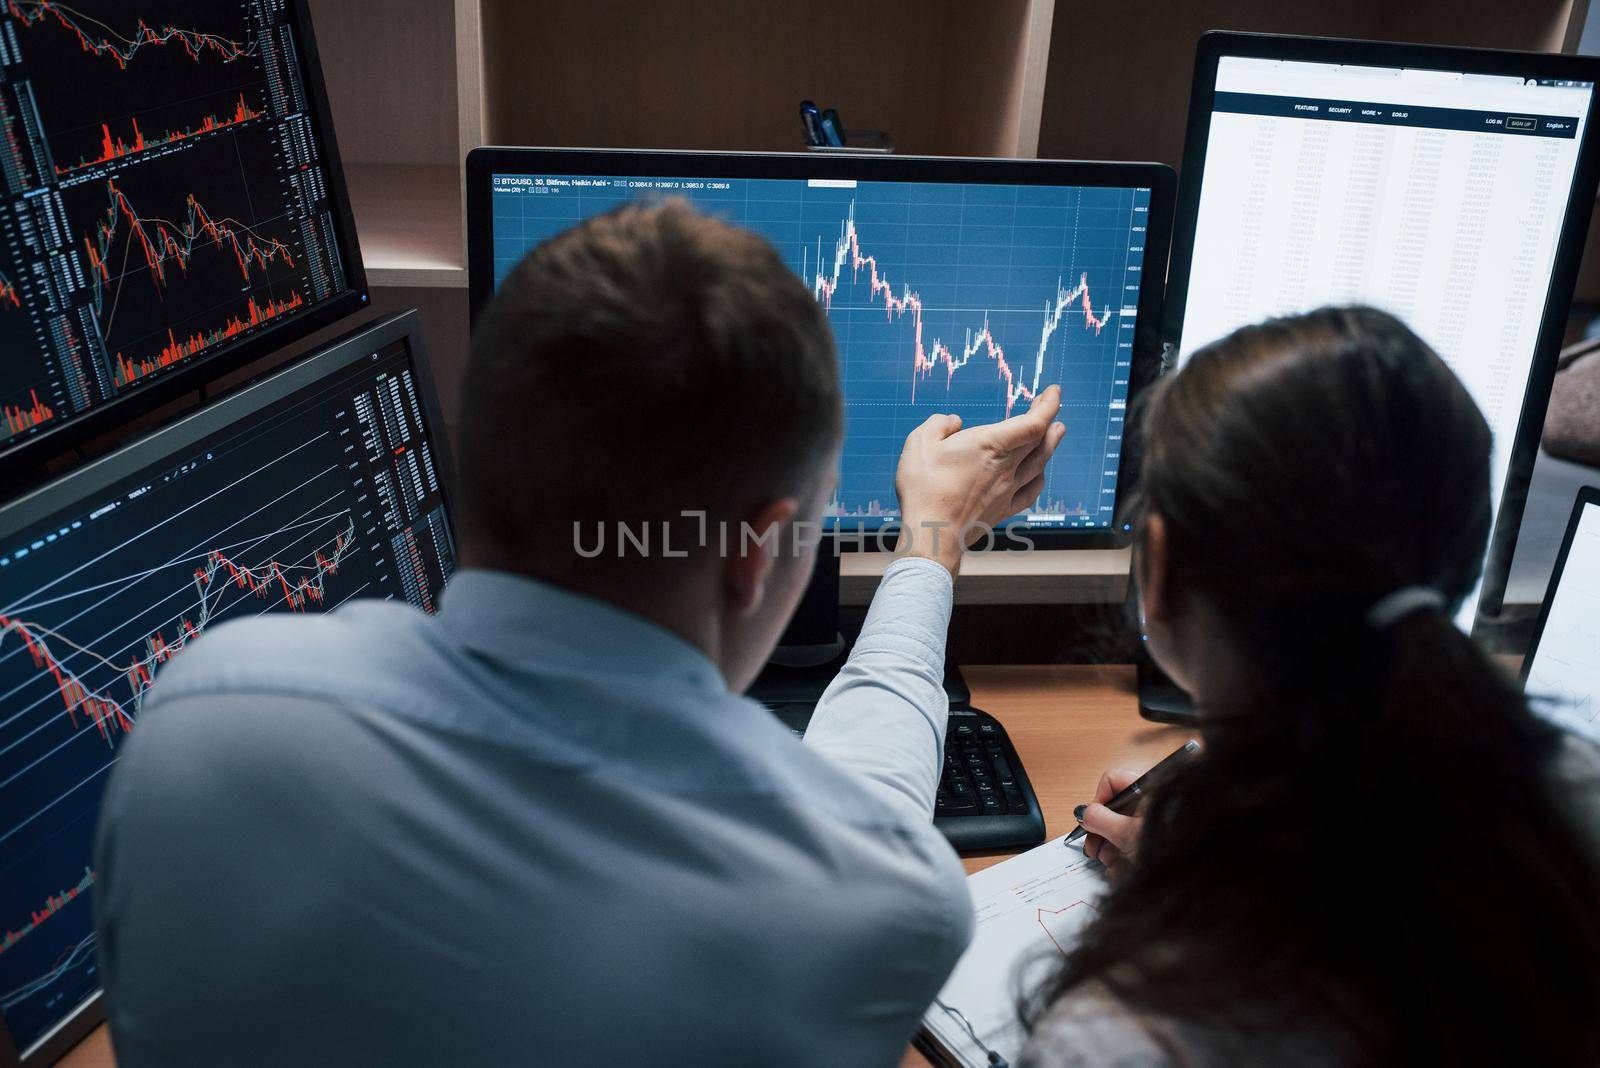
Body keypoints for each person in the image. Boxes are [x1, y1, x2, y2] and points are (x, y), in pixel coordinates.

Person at [93, 201, 1067, 1067]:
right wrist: (930, 542)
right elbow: (871, 825)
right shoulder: (871, 909)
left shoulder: (198, 720)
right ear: (755, 555)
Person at [1020, 306, 1600, 1067]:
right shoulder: (1575, 799)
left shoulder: (1125, 1036)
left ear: (1157, 569)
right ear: (1461, 549)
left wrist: (1193, 896)